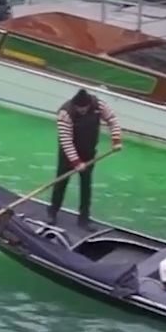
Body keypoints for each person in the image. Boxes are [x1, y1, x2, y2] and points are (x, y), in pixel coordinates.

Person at [48, 88, 122, 228]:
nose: (81, 110)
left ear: (89, 105)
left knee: (86, 186)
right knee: (61, 183)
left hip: (88, 152)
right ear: (74, 105)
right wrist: (76, 162)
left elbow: (112, 119)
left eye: (84, 108)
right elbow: (66, 140)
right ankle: (52, 212)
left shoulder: (99, 105)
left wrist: (116, 140)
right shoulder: (65, 113)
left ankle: (84, 219)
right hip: (68, 153)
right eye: (79, 108)